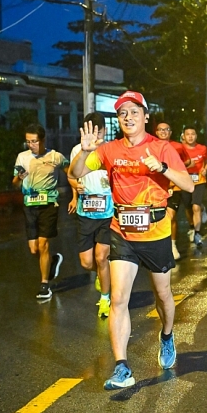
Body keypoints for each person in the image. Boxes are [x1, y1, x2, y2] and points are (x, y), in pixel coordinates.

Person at [71, 91, 193, 391]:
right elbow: (76, 173)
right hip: (121, 230)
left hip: (156, 232)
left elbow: (188, 184)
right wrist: (85, 152)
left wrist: (162, 168)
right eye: (122, 113)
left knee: (163, 295)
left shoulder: (162, 147)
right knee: (119, 298)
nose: (128, 117)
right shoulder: (109, 149)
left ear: (145, 116)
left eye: (134, 112)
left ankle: (166, 335)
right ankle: (122, 367)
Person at [13, 124, 69, 301]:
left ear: (43, 140)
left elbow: (71, 173)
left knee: (43, 244)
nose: (31, 145)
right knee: (34, 248)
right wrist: (19, 178)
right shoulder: (22, 157)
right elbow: (14, 182)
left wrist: (76, 192)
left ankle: (45, 285)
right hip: (29, 205)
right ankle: (51, 262)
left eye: (34, 141)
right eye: (28, 141)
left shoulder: (55, 156)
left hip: (49, 204)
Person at [68, 112, 113, 318]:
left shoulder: (112, 150)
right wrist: (75, 189)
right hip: (85, 212)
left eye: (98, 131)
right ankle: (100, 275)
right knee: (87, 263)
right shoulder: (77, 150)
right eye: (90, 131)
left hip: (108, 212)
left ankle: (105, 298)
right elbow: (71, 175)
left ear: (104, 131)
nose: (94, 135)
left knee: (102, 257)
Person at [155, 121, 192, 260]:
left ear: (170, 132)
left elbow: (187, 162)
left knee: (170, 216)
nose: (163, 132)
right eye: (160, 130)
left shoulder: (178, 147)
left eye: (166, 129)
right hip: (156, 188)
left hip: (174, 187)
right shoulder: (150, 146)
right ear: (156, 132)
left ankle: (172, 245)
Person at [181, 126, 207, 247]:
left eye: (193, 134)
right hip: (185, 181)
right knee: (188, 207)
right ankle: (192, 227)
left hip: (199, 180)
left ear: (196, 136)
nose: (190, 136)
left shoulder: (202, 148)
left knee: (195, 207)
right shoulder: (180, 149)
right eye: (188, 134)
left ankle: (197, 233)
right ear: (184, 136)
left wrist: (205, 169)